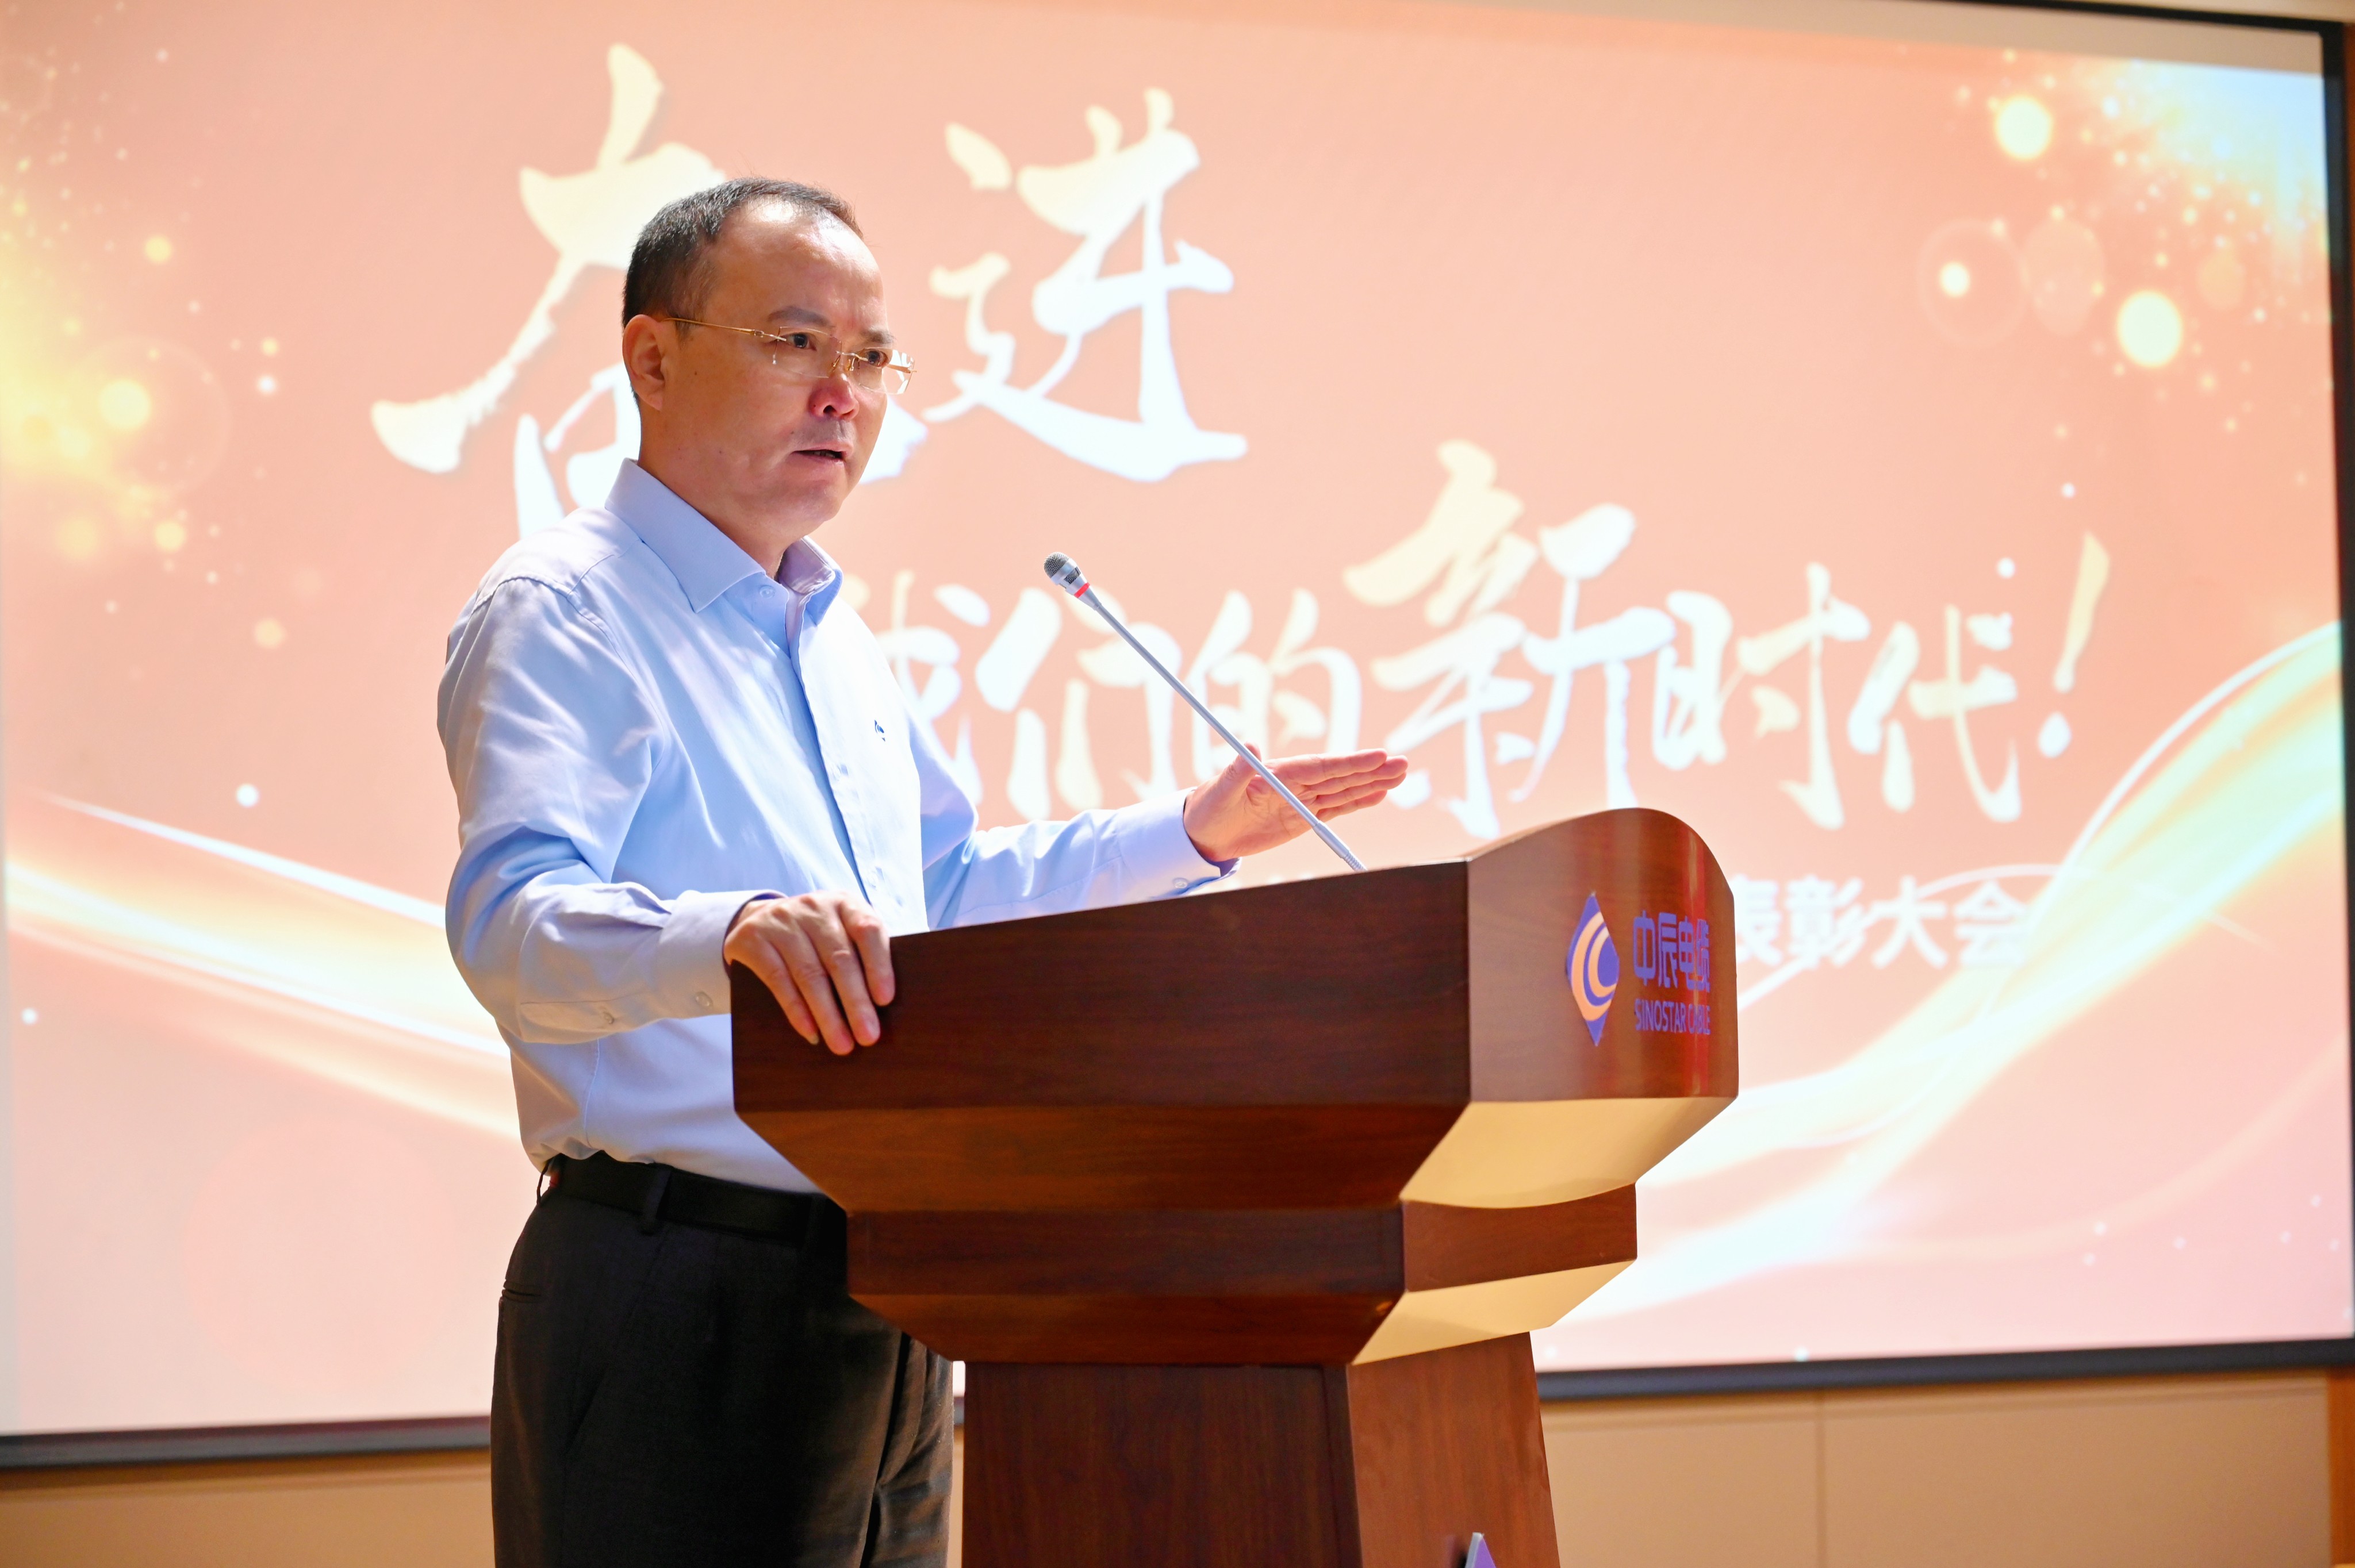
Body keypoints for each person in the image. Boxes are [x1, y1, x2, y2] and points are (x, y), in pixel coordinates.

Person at [437, 176, 1407, 1568]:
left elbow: (935, 904)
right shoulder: (564, 610)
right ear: (651, 357)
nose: (843, 392)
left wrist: (1188, 836)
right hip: (678, 1280)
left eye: (872, 354)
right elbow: (508, 922)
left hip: (889, 1289)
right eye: (795, 342)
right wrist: (726, 934)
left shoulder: (830, 635)